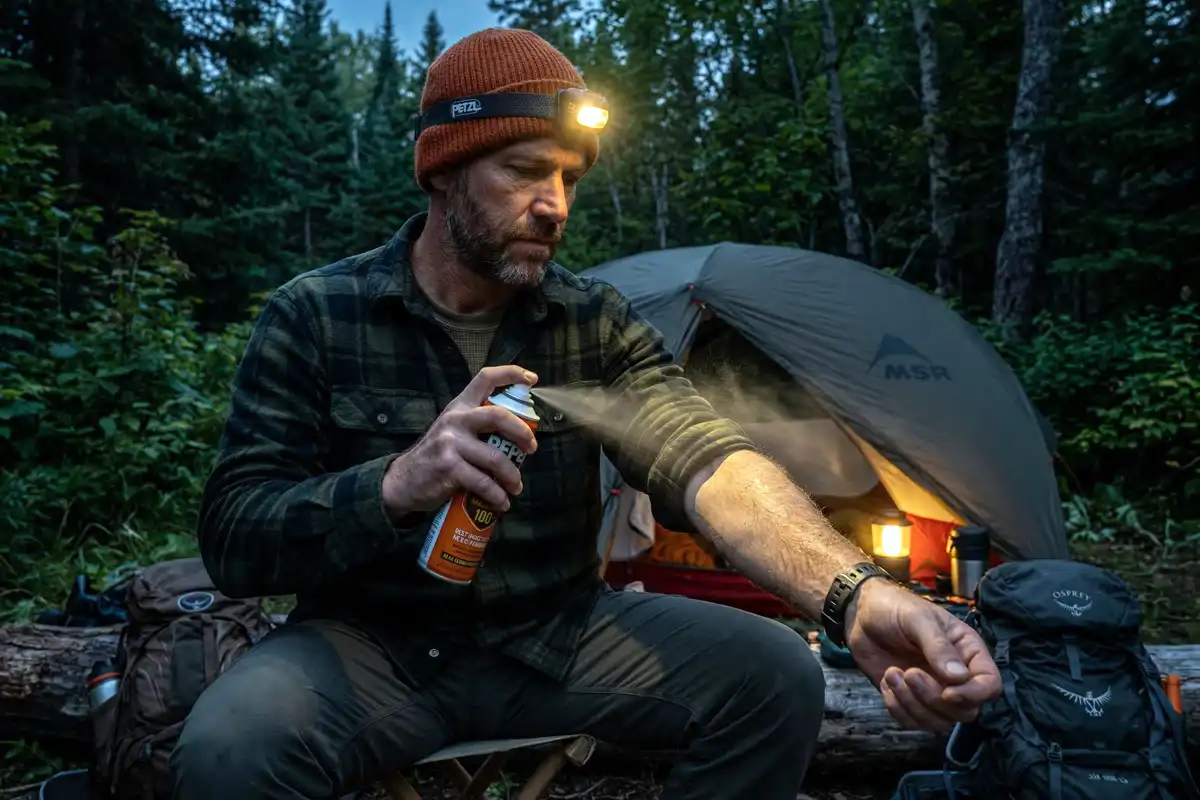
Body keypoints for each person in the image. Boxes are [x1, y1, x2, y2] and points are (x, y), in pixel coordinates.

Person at [170, 27, 1001, 800]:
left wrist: (856, 594)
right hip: (367, 647)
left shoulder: (591, 321)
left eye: (568, 176)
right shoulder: (315, 314)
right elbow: (237, 534)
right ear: (443, 171)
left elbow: (708, 461)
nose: (556, 204)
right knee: (227, 751)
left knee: (776, 678)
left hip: (556, 639)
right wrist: (398, 482)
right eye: (525, 170)